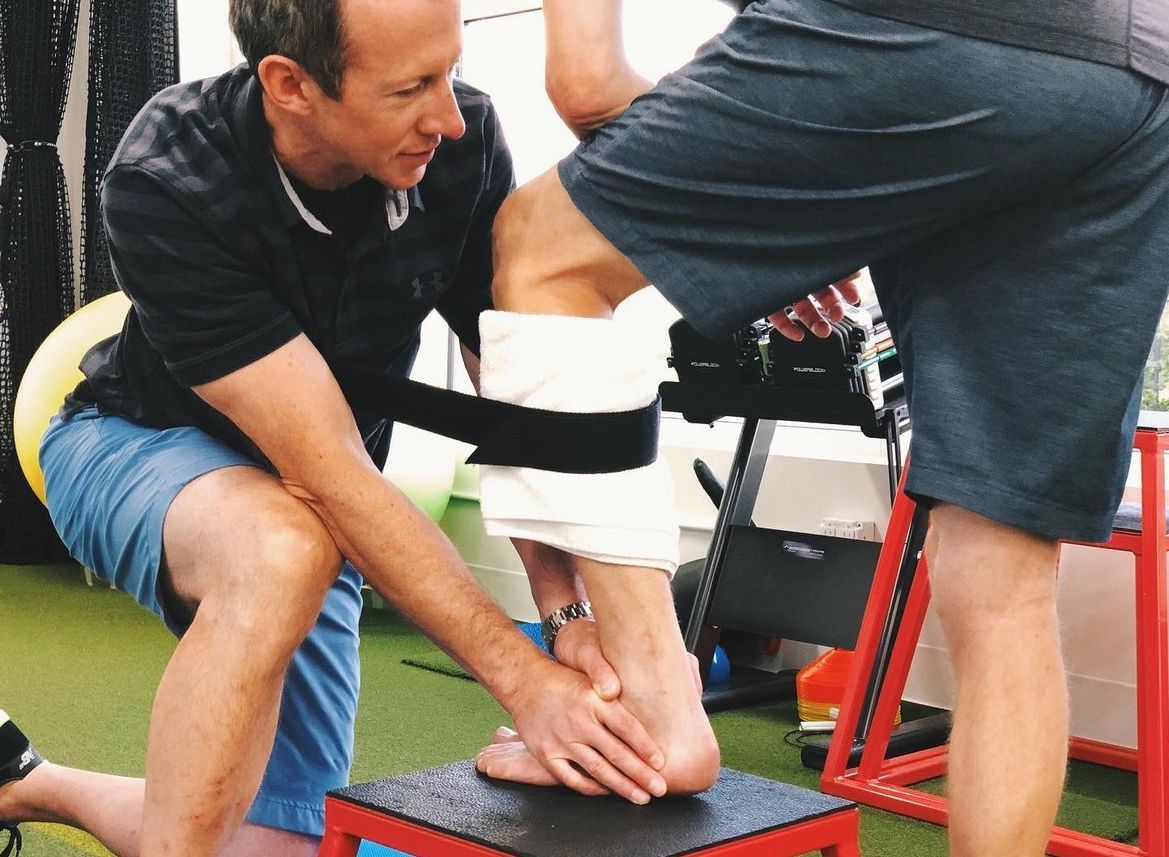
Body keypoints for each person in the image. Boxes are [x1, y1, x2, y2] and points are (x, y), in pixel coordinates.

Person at [469, 1, 1169, 856]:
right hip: (1135, 75)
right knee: (1003, 577)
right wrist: (799, 214)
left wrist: (778, 218)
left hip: (934, 34)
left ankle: (660, 710)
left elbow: (585, 84)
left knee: (545, 250)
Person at [0, 1, 680, 855]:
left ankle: (27, 783)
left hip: (314, 506)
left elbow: (508, 393)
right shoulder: (168, 175)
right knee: (280, 548)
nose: (448, 112)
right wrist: (525, 680)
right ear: (291, 84)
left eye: (448, 70)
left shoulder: (459, 142)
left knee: (285, 845)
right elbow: (328, 468)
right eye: (409, 88)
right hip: (129, 443)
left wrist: (564, 605)